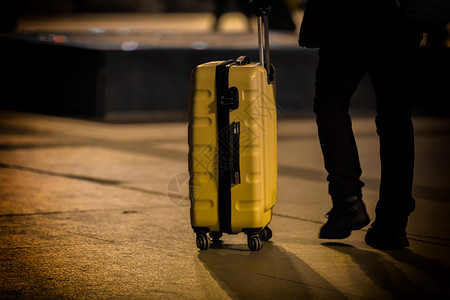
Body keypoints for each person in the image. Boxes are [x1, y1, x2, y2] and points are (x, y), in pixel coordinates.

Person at [251, 0, 423, 249]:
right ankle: (393, 222)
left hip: (347, 19)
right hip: (399, 19)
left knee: (331, 101)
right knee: (395, 116)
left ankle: (347, 200)